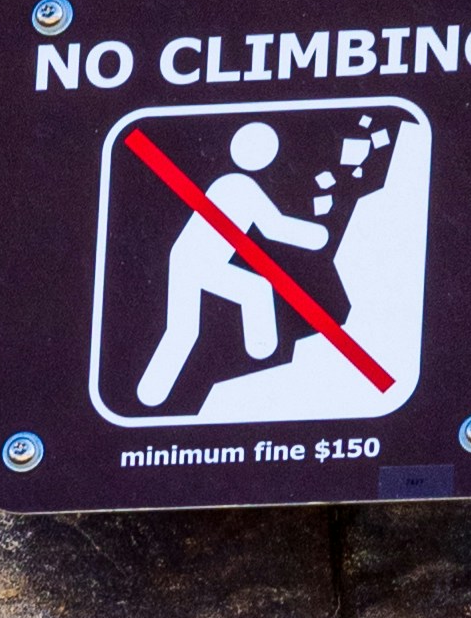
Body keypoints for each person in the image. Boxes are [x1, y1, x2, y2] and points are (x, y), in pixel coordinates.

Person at [133, 120, 328, 406]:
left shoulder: (231, 184)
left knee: (189, 326)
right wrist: (316, 236)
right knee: (247, 293)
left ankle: (152, 392)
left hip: (191, 259)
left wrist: (313, 237)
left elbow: (269, 227)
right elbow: (273, 227)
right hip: (197, 261)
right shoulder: (238, 186)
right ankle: (260, 351)